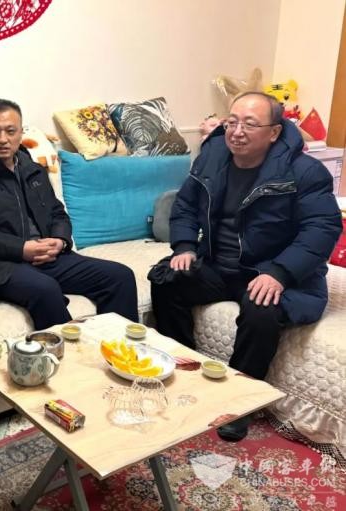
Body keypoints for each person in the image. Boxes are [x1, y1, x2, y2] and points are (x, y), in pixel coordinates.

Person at [150, 92, 342, 441]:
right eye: (232, 122)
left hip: (269, 270)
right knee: (167, 279)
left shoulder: (304, 172)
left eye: (250, 124)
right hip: (218, 263)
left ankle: (239, 401)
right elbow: (186, 205)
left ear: (274, 132)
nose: (237, 132)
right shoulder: (212, 156)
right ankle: (184, 368)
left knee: (261, 309)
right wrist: (184, 246)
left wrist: (280, 272)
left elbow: (322, 229)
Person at [0, 99, 138, 330]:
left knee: (120, 277)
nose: (3, 139)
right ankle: (71, 352)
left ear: (21, 133)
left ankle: (117, 348)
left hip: (47, 259)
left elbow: (57, 212)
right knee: (45, 289)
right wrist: (21, 248)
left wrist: (60, 240)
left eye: (10, 131)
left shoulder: (33, 170)